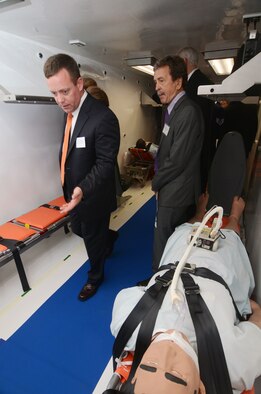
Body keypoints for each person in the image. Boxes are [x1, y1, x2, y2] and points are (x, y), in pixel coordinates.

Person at [110, 195, 261, 393]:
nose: (166, 354)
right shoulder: (232, 362)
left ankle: (199, 212)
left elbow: (133, 293)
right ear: (200, 387)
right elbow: (256, 327)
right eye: (175, 376)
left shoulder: (127, 326)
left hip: (176, 261)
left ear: (135, 374)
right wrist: (256, 309)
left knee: (181, 235)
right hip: (220, 268)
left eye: (149, 366)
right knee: (230, 240)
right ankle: (234, 215)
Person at [43, 53, 120, 301]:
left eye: (64, 91)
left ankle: (95, 277)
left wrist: (82, 189)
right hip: (73, 195)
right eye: (54, 94)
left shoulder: (103, 118)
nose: (60, 100)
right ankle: (109, 236)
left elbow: (106, 163)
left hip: (92, 196)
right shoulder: (68, 113)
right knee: (80, 230)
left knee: (92, 241)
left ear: (79, 84)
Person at [152, 55, 204, 272]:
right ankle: (163, 280)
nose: (157, 87)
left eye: (162, 80)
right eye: (155, 82)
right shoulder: (172, 110)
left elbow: (177, 161)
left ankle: (159, 283)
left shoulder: (187, 112)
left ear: (178, 82)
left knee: (165, 240)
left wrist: (155, 183)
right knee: (166, 239)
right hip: (171, 188)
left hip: (176, 192)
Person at [177, 47, 216, 193]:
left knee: (192, 194)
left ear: (184, 61)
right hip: (201, 149)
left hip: (194, 153)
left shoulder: (197, 85)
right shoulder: (203, 81)